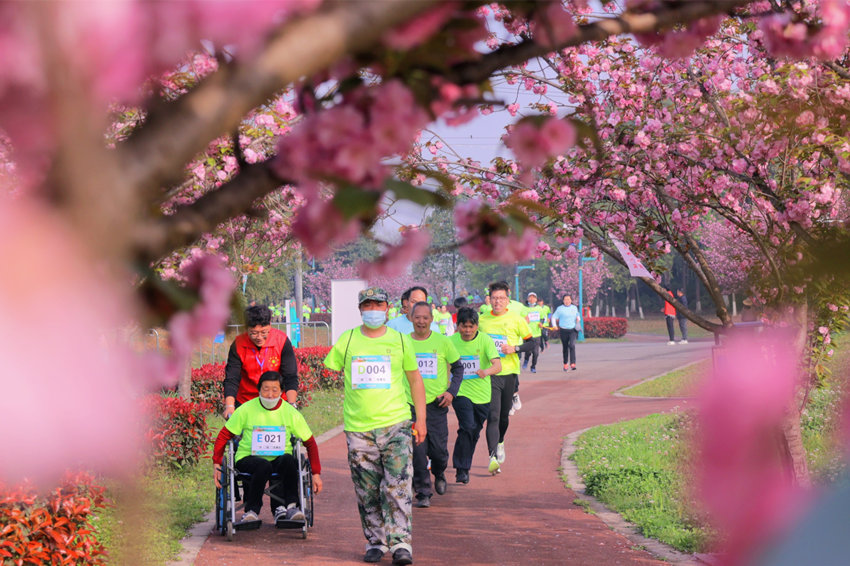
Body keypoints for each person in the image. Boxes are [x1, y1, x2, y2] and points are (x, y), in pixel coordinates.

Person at [323, 287, 426, 566]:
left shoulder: (401, 341)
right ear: (360, 310)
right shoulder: (349, 339)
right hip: (359, 428)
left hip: (396, 424)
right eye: (367, 305)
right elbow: (330, 369)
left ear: (387, 309)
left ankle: (401, 543)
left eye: (378, 305)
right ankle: (376, 542)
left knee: (398, 484)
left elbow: (415, 380)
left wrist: (422, 420)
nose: (373, 310)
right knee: (367, 489)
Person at [213, 371, 322, 525]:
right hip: (248, 457)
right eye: (266, 389)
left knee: (290, 460)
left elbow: (310, 442)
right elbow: (224, 435)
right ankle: (252, 511)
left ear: (282, 392)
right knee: (263, 465)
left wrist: (316, 473)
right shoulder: (246, 409)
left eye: (275, 390)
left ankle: (291, 507)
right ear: (259, 390)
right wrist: (216, 463)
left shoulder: (290, 413)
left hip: (279, 459)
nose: (270, 394)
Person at [407, 302, 463, 507]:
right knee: (418, 451)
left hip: (436, 404)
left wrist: (451, 392)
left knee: (439, 451)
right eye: (417, 317)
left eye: (425, 317)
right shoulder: (403, 343)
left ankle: (439, 472)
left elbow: (458, 369)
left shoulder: (443, 342)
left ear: (432, 319)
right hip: (410, 405)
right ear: (411, 319)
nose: (421, 321)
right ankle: (422, 492)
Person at [478, 281, 534, 475]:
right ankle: (492, 457)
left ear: (507, 299)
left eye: (501, 298)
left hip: (509, 373)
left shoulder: (516, 318)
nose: (497, 302)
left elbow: (532, 343)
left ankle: (500, 442)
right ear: (489, 299)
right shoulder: (482, 320)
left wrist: (515, 349)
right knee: (492, 415)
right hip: (490, 375)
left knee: (503, 417)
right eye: (494, 298)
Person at [449, 307, 501, 484]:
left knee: (473, 431)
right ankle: (461, 469)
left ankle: (464, 465)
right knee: (467, 426)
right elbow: (445, 365)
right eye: (464, 326)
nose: (468, 330)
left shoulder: (485, 340)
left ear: (477, 326)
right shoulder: (451, 341)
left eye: (471, 326)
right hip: (461, 392)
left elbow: (497, 365)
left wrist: (486, 371)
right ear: (458, 326)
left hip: (482, 395)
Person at [223, 305, 298, 418]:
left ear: (270, 326)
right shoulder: (238, 344)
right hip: (246, 402)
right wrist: (229, 406)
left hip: (276, 401)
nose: (259, 337)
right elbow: (232, 378)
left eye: (264, 332)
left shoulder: (281, 341)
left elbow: (290, 376)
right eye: (253, 333)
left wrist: (292, 405)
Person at [551, 295, 581, 371]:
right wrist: (554, 325)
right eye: (565, 299)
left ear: (571, 300)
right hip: (563, 330)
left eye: (568, 299)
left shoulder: (574, 308)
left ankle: (573, 363)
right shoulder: (560, 309)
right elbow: (554, 317)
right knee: (565, 347)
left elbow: (577, 315)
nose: (567, 301)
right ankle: (565, 364)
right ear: (563, 301)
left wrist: (578, 319)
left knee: (572, 345)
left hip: (572, 330)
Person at [522, 292, 544, 374]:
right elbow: (522, 319)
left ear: (536, 299)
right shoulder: (524, 309)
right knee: (528, 351)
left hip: (537, 334)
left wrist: (541, 323)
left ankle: (533, 366)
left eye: (533, 297)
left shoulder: (539, 308)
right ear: (527, 299)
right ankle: (526, 360)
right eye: (530, 297)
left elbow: (542, 318)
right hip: (528, 334)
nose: (532, 299)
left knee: (536, 353)